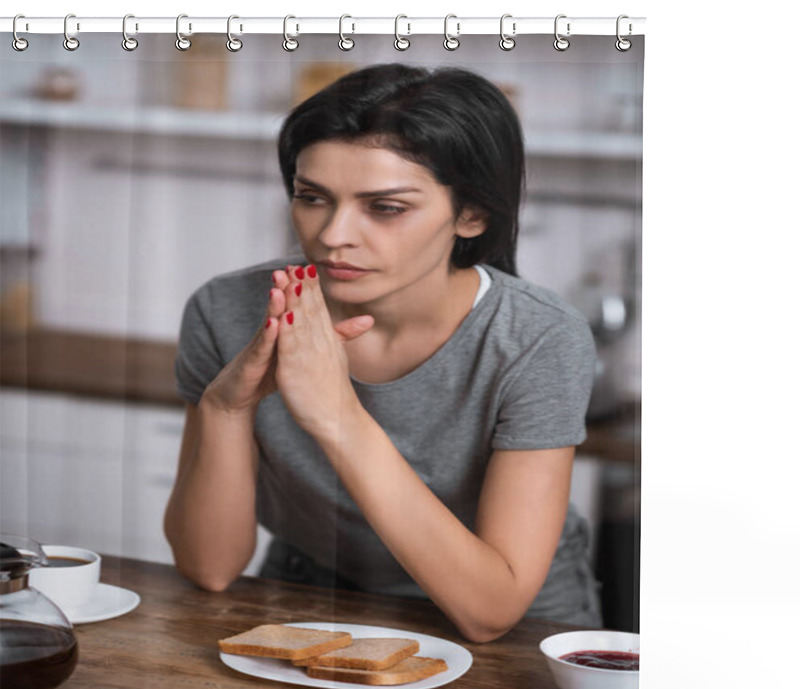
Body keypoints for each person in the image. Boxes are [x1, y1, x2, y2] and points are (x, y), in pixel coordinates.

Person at [164, 63, 601, 643]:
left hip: (516, 628)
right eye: (312, 197)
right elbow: (210, 569)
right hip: (308, 595)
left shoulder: (539, 339)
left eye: (386, 207)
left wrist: (337, 415)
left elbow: (489, 610)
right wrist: (226, 408)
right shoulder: (227, 310)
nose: (334, 234)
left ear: (471, 214)